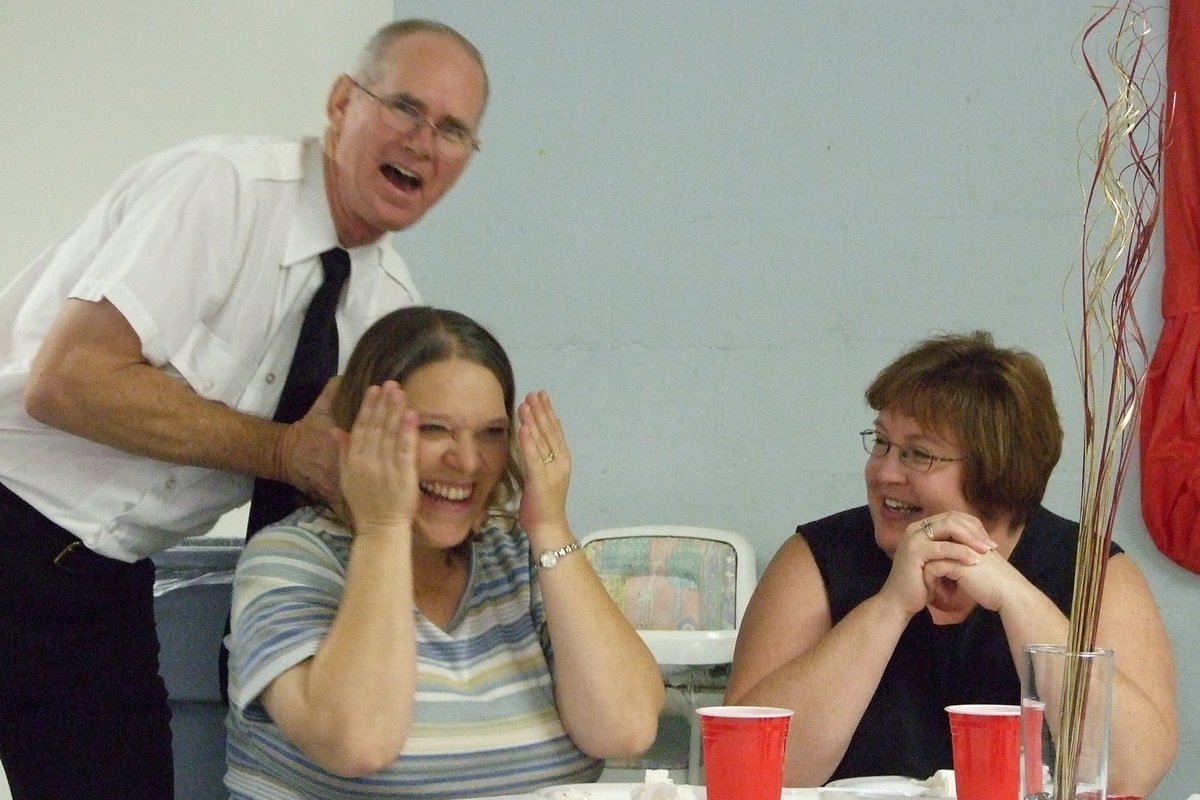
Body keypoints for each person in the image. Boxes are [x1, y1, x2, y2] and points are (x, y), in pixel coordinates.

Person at [0, 19, 488, 800]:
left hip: (105, 582)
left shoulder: (390, 313)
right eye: (404, 108)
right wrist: (281, 452)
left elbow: (367, 490)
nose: (425, 142)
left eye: (454, 130)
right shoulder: (222, 190)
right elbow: (67, 381)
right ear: (340, 105)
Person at [224, 306, 665, 799]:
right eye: (433, 429)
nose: (467, 461)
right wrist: (383, 526)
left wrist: (549, 526)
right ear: (358, 437)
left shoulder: (520, 557)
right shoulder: (290, 559)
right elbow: (357, 742)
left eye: (491, 434)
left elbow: (624, 729)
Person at [724, 331, 1177, 796]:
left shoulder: (1091, 572)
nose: (884, 473)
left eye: (917, 454)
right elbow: (750, 768)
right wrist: (890, 606)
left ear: (995, 468)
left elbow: (1132, 771)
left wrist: (1014, 596)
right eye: (881, 443)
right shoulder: (817, 559)